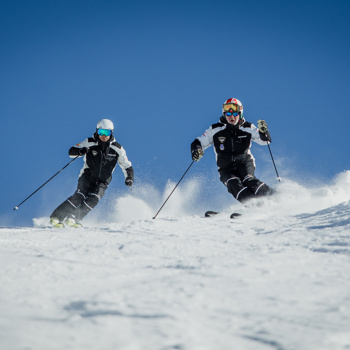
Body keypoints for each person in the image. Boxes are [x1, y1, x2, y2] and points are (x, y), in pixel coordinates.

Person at [50, 119, 134, 228]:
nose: (103, 136)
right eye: (101, 132)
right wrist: (80, 151)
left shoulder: (117, 148)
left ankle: (74, 218)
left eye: (106, 133)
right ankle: (57, 217)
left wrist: (129, 178)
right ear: (97, 131)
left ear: (111, 133)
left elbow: (127, 165)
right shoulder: (89, 142)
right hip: (87, 176)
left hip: (103, 180)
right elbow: (72, 151)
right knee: (80, 196)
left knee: (94, 199)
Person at [191, 98, 274, 204]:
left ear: (240, 113)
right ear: (224, 114)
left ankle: (274, 197)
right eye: (228, 113)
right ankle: (254, 205)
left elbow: (265, 141)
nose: (232, 116)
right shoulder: (215, 129)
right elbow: (200, 141)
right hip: (226, 168)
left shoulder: (247, 127)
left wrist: (264, 132)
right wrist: (196, 149)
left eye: (235, 113)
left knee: (248, 180)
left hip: (244, 162)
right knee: (233, 183)